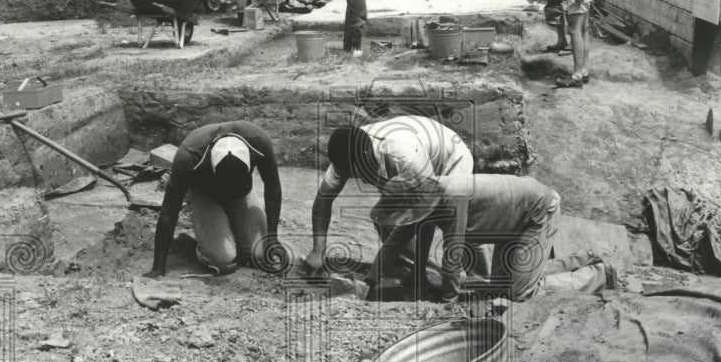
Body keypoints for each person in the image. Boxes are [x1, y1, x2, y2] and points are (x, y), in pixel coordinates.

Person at [301, 115, 478, 282]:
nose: (355, 179)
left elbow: (426, 213)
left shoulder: (404, 155)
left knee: (457, 223)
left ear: (366, 157)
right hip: (413, 157)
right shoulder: (346, 155)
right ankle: (410, 265)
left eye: (355, 173)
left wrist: (419, 272)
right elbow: (323, 199)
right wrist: (318, 249)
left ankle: (482, 281)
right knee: (383, 218)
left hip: (450, 159)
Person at [369, 173, 563, 304]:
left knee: (520, 295)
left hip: (538, 211)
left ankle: (589, 274)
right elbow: (394, 244)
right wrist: (369, 281)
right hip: (511, 221)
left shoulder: (453, 196)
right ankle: (542, 271)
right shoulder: (421, 197)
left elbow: (453, 252)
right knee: (499, 291)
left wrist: (448, 302)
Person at [146, 121, 284, 278]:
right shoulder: (189, 155)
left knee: (260, 254)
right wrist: (158, 267)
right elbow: (168, 212)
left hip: (240, 193)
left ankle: (232, 235)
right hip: (204, 193)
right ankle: (195, 246)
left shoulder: (259, 141)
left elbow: (273, 188)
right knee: (223, 263)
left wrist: (272, 238)